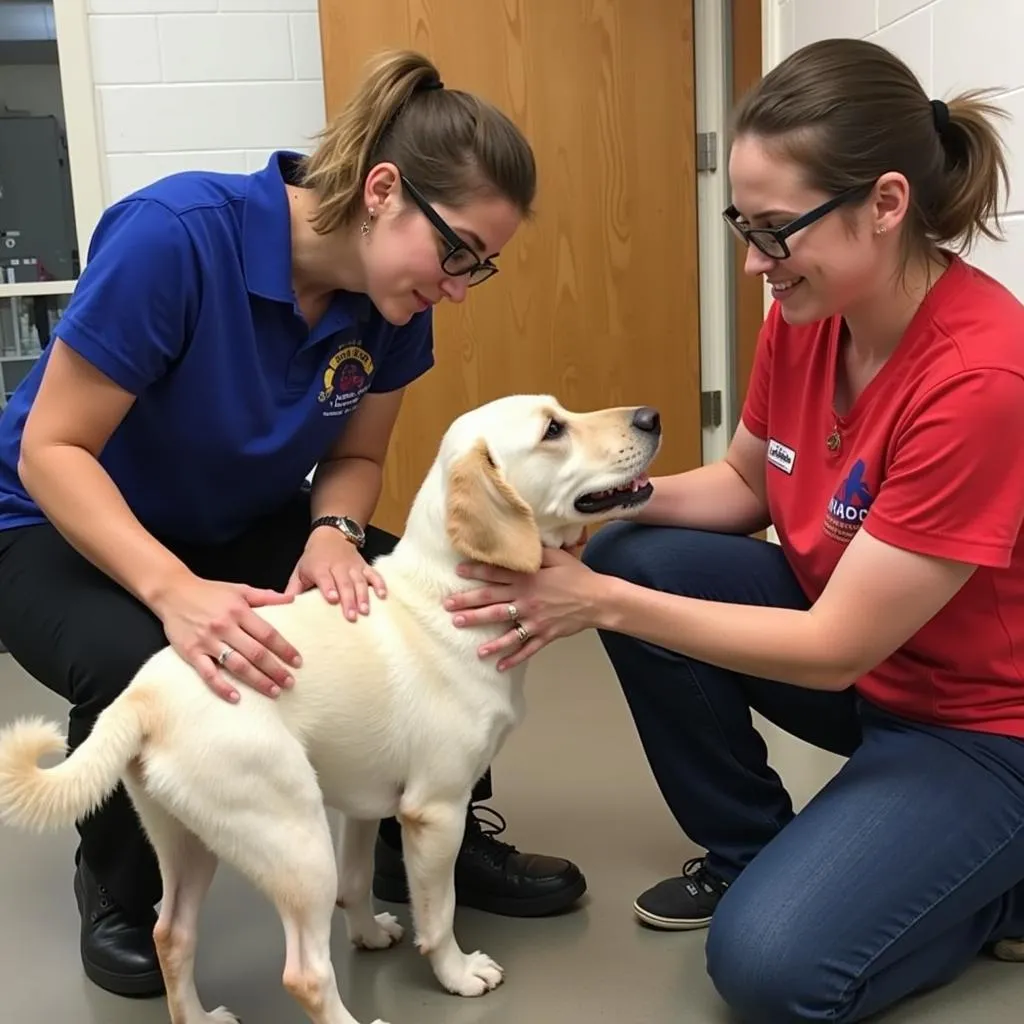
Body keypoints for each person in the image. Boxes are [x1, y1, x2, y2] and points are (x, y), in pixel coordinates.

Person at [443, 37, 1024, 1024]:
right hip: (873, 675)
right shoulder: (808, 310)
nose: (753, 262)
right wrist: (595, 503)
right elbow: (745, 485)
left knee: (769, 970)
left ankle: (993, 882)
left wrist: (600, 602)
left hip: (977, 728)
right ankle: (750, 850)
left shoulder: (977, 379)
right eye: (739, 225)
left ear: (885, 205)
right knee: (637, 548)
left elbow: (835, 647)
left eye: (774, 230)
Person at [0, 49, 585, 1000]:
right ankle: (121, 883)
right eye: (459, 253)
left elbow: (353, 462)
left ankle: (427, 827)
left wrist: (335, 536)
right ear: (383, 190)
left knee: (426, 602)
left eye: (484, 265)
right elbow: (54, 450)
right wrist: (172, 590)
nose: (463, 287)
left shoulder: (393, 307)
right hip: (50, 520)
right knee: (144, 657)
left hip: (234, 518)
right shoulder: (177, 238)